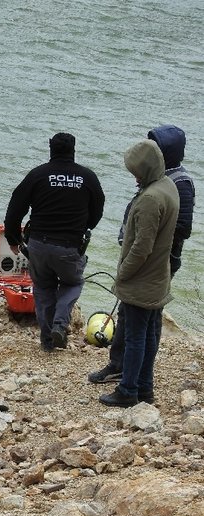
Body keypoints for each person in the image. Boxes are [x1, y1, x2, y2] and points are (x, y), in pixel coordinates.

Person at [89, 125, 195, 386]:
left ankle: (128, 376)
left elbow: (180, 228)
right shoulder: (161, 180)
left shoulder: (177, 183)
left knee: (141, 322)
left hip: (155, 262)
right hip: (149, 259)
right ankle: (132, 374)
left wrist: (132, 265)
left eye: (156, 147)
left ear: (166, 152)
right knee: (137, 320)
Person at [4, 132, 105, 351]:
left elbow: (15, 208)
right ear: (73, 150)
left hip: (39, 245)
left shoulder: (38, 175)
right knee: (73, 283)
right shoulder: (87, 177)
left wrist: (13, 238)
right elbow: (98, 210)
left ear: (50, 148)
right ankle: (60, 323)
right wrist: (83, 226)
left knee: (43, 287)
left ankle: (47, 339)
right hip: (70, 246)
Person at [99, 139, 179, 407]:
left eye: (135, 170)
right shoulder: (169, 186)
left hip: (141, 281)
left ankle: (128, 390)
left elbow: (141, 248)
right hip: (159, 277)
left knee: (134, 338)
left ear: (144, 168)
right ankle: (145, 388)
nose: (133, 175)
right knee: (150, 334)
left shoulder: (149, 199)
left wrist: (122, 274)